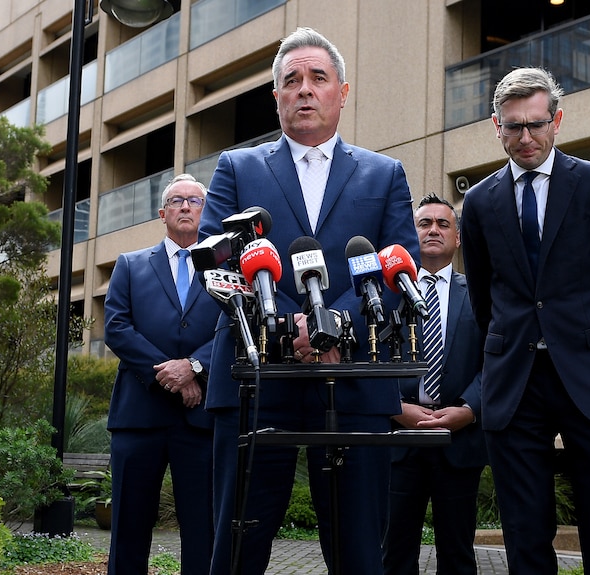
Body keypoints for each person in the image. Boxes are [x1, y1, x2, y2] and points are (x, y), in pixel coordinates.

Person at [199, 27, 420, 575]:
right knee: (236, 548)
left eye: (318, 78)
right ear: (275, 95)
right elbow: (219, 262)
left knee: (359, 553)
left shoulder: (384, 173)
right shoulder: (236, 168)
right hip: (255, 380)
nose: (304, 89)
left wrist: (332, 323)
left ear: (342, 91)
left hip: (354, 382)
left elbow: (398, 264)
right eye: (290, 80)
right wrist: (288, 323)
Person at [460, 67, 590, 575]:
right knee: (524, 531)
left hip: (589, 374)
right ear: (495, 127)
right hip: (514, 382)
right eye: (514, 126)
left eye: (536, 124)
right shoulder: (477, 202)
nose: (526, 137)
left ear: (557, 121)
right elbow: (484, 298)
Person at [104, 174, 218, 575]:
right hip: (139, 416)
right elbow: (116, 328)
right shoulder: (130, 265)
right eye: (176, 200)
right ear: (162, 213)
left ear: (205, 211)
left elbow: (235, 331)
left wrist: (194, 368)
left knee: (202, 532)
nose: (185, 206)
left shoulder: (226, 271)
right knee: (129, 530)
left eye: (194, 200)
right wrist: (169, 375)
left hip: (201, 419)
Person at [383, 193, 487, 575]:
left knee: (458, 556)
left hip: (459, 440)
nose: (433, 230)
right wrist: (396, 407)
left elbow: (495, 361)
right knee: (393, 554)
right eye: (424, 223)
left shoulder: (481, 293)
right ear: (412, 235)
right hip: (398, 440)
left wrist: (469, 409)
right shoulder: (385, 294)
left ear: (458, 238)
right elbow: (368, 358)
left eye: (443, 224)